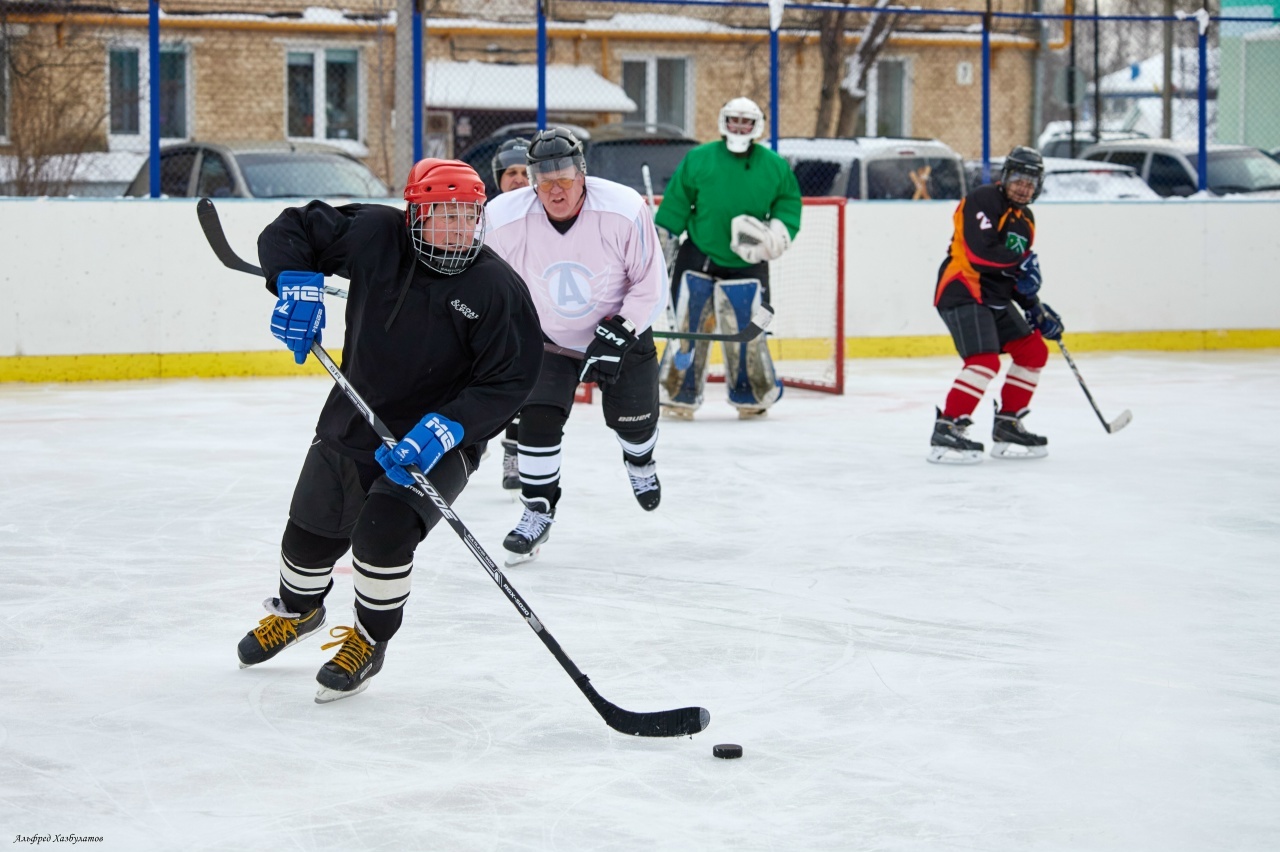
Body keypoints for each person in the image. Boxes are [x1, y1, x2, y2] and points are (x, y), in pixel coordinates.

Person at [236, 159, 543, 703]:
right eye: (442, 216)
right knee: (307, 538)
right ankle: (300, 613)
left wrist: (452, 427)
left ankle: (369, 641)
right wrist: (295, 283)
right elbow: (294, 228)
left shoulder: (496, 287)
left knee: (381, 534)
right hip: (356, 415)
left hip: (439, 440)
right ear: (413, 215)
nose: (457, 229)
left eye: (468, 217)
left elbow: (512, 379)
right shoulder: (377, 234)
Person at [483, 126, 668, 566]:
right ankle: (537, 511)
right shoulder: (504, 217)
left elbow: (650, 281)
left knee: (633, 423)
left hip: (620, 331)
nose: (555, 188)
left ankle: (640, 462)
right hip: (548, 338)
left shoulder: (623, 209)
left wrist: (623, 329)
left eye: (563, 177)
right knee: (537, 423)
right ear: (531, 181)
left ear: (582, 173)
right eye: (544, 180)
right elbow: (485, 278)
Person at [654, 96, 802, 420]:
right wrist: (662, 238)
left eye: (745, 122)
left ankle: (752, 397)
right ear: (724, 122)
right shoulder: (699, 159)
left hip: (748, 263)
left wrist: (777, 233)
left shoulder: (774, 165)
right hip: (699, 257)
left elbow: (788, 204)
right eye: (733, 120)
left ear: (756, 126)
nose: (739, 127)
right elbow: (677, 203)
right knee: (687, 330)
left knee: (750, 333)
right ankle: (679, 394)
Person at [929, 145, 1064, 464]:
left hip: (994, 296)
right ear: (1006, 177)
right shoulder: (983, 200)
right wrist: (1021, 266)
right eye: (1018, 179)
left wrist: (1035, 307)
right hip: (963, 288)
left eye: (1030, 183)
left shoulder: (1026, 221)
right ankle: (948, 426)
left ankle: (1008, 424)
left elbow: (1015, 276)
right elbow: (981, 254)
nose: (1023, 187)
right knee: (985, 361)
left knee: (1034, 351)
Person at [489, 136, 532, 493]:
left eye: (525, 172)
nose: (518, 179)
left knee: (526, 390)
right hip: (492, 316)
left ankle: (514, 454)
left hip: (532, 318)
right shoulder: (485, 216)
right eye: (511, 172)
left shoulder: (548, 215)